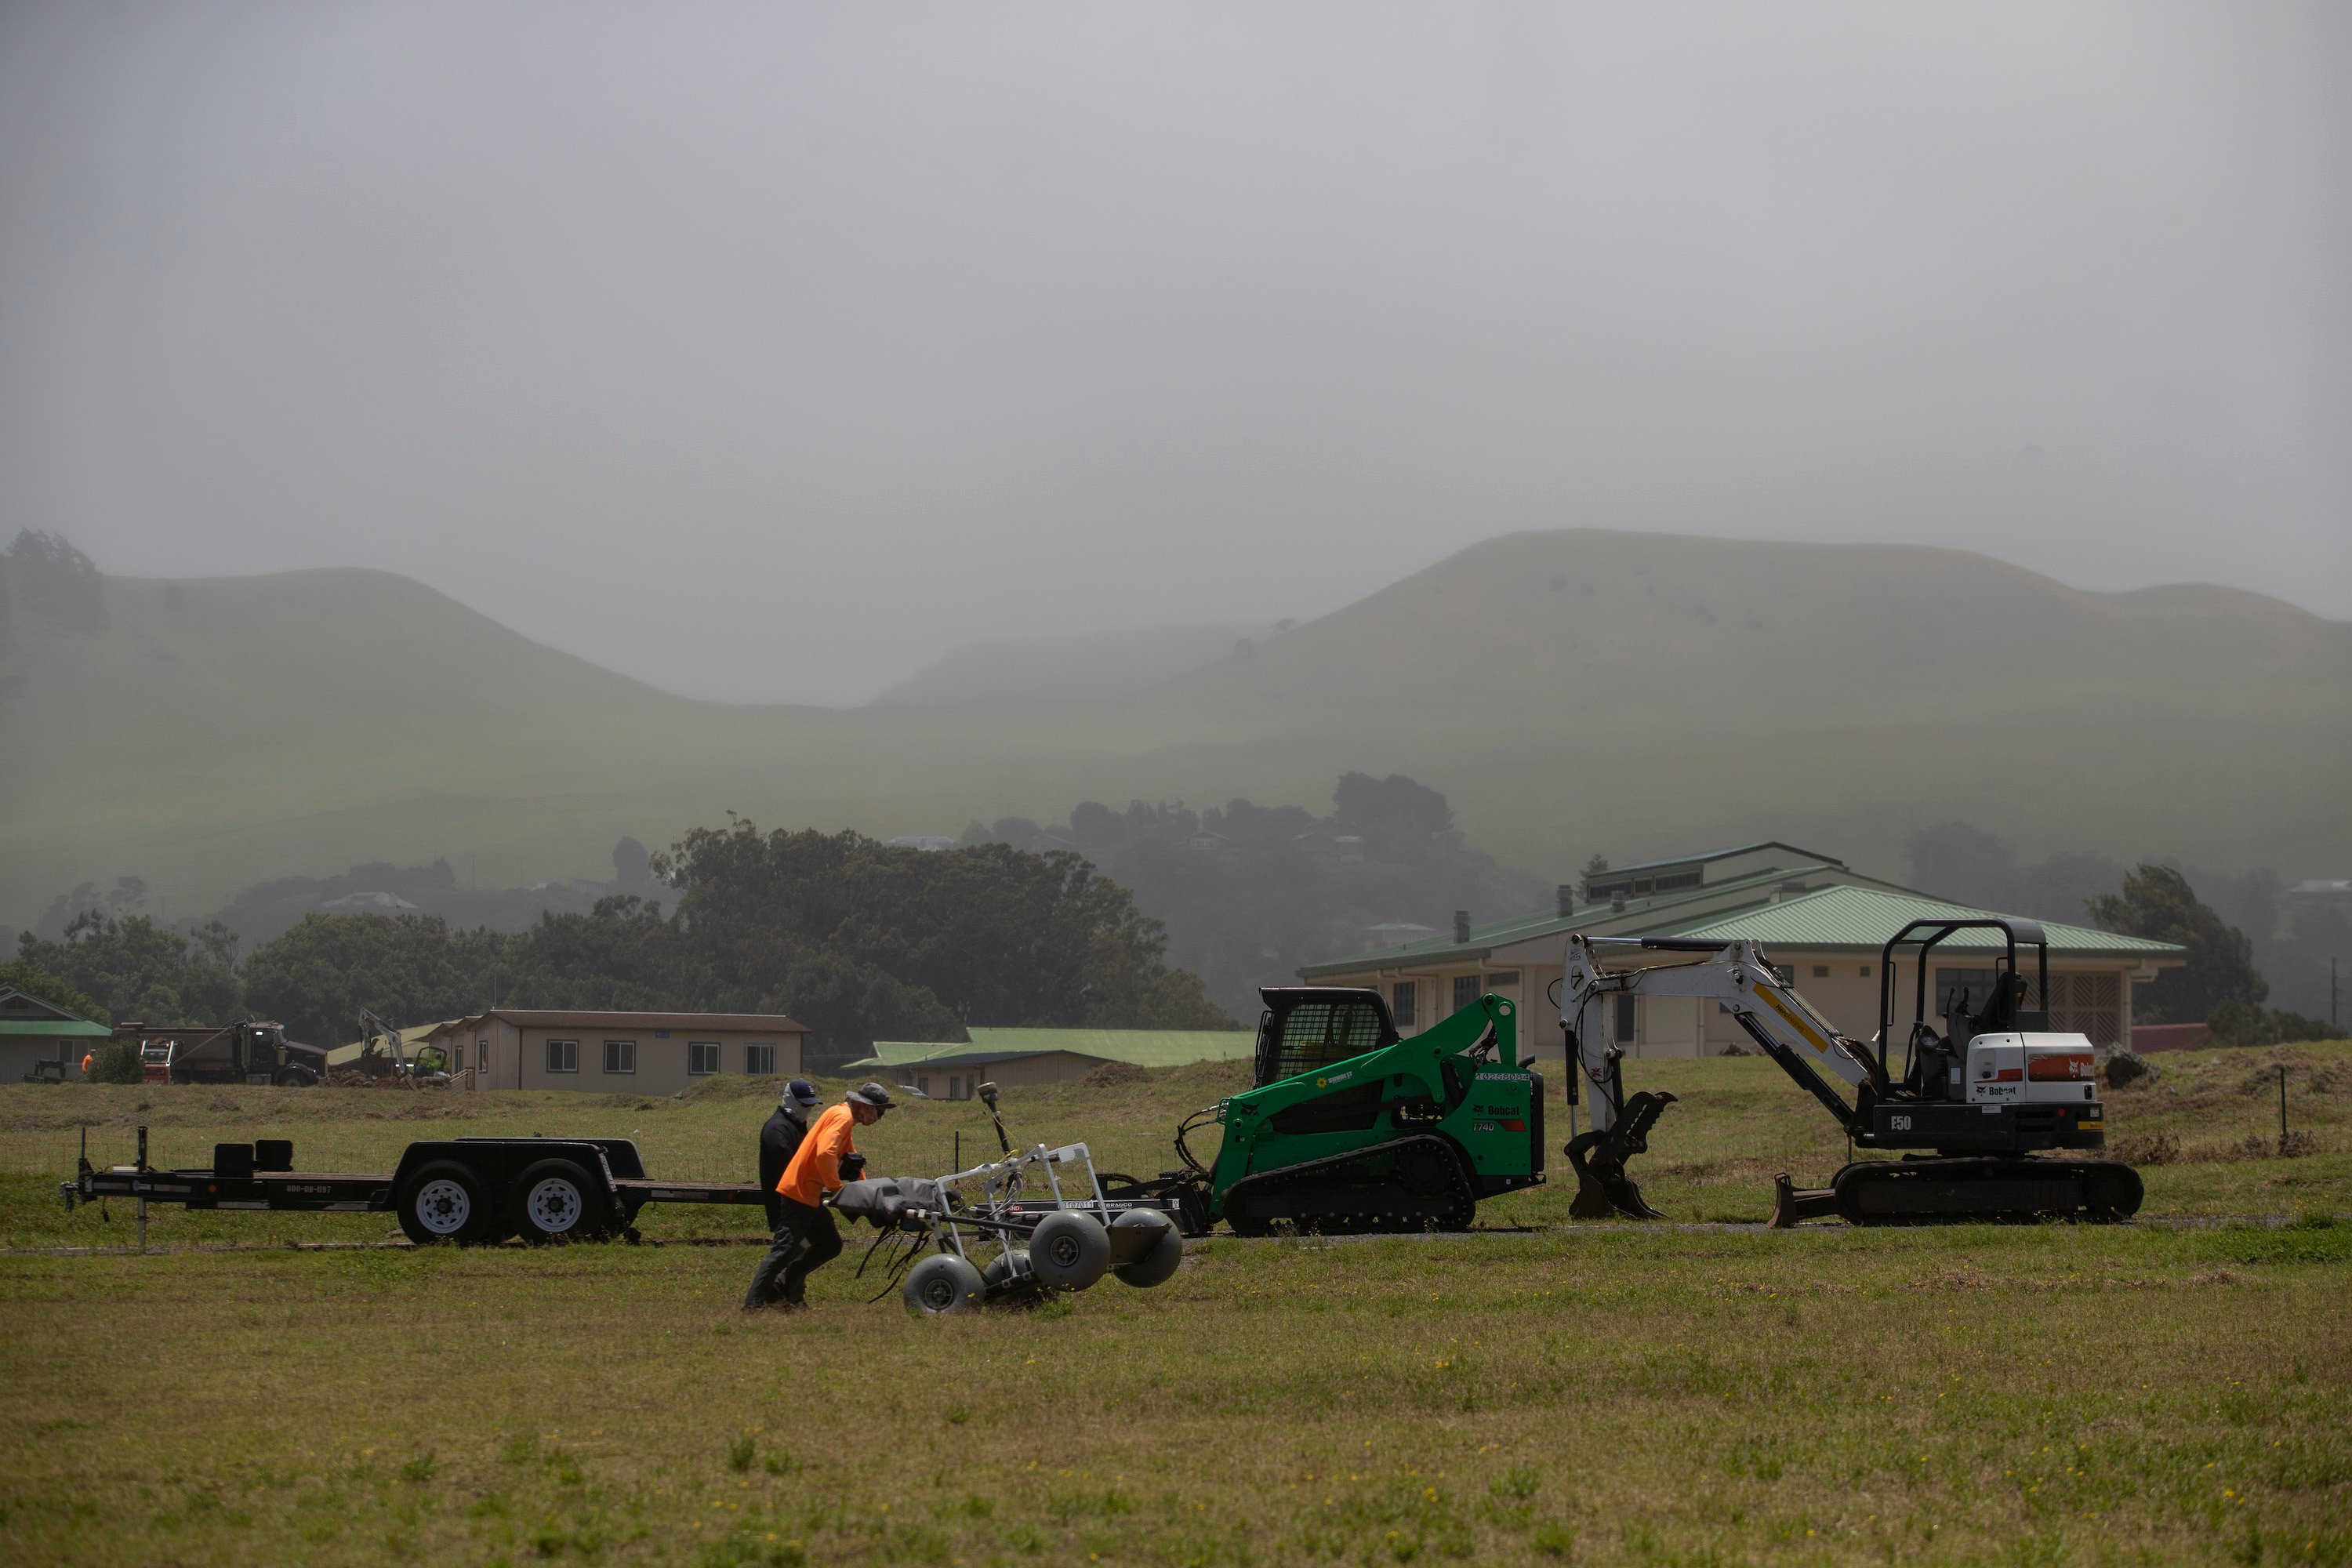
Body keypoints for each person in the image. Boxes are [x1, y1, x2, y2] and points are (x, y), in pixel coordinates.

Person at [742, 1081, 893, 1312]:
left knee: (830, 1245)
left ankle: (783, 1284)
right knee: (782, 1252)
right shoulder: (842, 1117)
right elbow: (825, 1153)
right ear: (864, 1106)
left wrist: (868, 1193)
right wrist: (837, 1189)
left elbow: (850, 1158)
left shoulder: (842, 1116)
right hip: (799, 1193)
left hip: (809, 1196)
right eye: (879, 1111)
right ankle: (752, 1306)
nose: (880, 1117)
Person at [759, 1079, 824, 1230]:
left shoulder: (796, 1126)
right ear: (791, 1100)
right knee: (791, 1250)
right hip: (788, 1210)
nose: (808, 1109)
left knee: (828, 1244)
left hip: (804, 1203)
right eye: (805, 1104)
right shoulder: (776, 1130)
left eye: (811, 1105)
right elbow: (787, 1171)